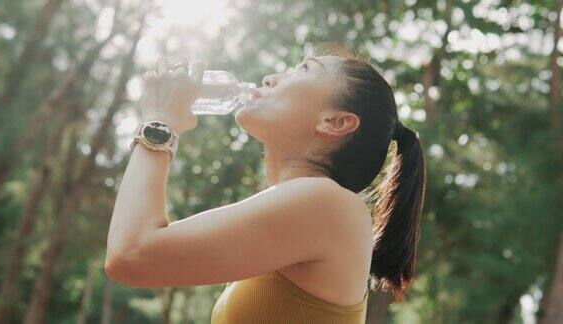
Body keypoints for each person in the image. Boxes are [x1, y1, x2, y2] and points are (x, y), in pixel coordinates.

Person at [104, 43, 426, 324]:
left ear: (335, 122)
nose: (270, 78)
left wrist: (161, 122)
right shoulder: (313, 212)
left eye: (302, 69)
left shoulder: (329, 204)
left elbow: (132, 253)